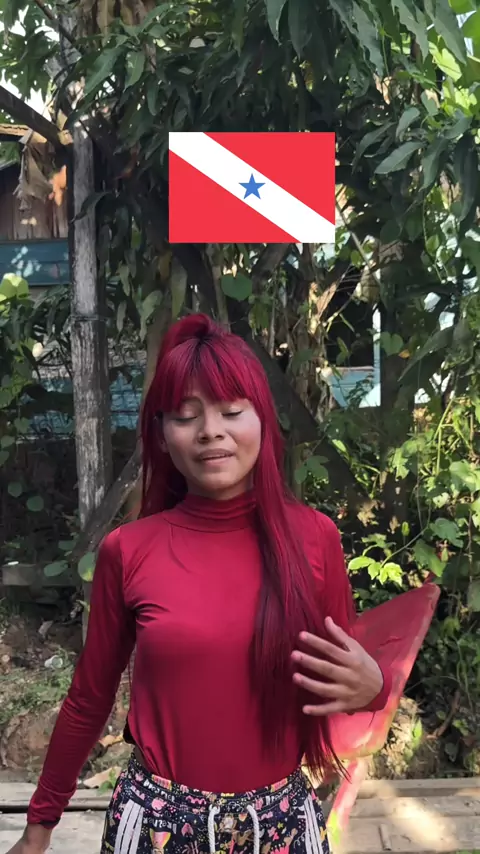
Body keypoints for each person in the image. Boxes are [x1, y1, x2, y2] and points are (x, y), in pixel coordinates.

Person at [8, 314, 391, 854]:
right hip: (157, 826)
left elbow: (336, 689)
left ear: (262, 421)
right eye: (187, 416)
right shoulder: (129, 550)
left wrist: (375, 690)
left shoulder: (314, 539)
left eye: (232, 411)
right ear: (162, 436)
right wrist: (39, 825)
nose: (211, 430)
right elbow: (88, 699)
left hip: (281, 826)